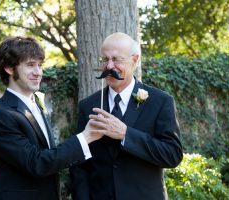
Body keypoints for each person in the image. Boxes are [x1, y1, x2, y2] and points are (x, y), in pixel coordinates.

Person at [0, 36, 102, 200]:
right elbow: (36, 163)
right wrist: (84, 137)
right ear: (9, 69)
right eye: (30, 65)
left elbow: (48, 156)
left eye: (40, 65)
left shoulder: (36, 105)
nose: (38, 72)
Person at [70, 32, 183, 200]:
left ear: (135, 60)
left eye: (116, 59)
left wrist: (126, 134)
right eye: (105, 60)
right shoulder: (88, 106)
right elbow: (79, 164)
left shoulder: (160, 102)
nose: (109, 66)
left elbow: (172, 155)